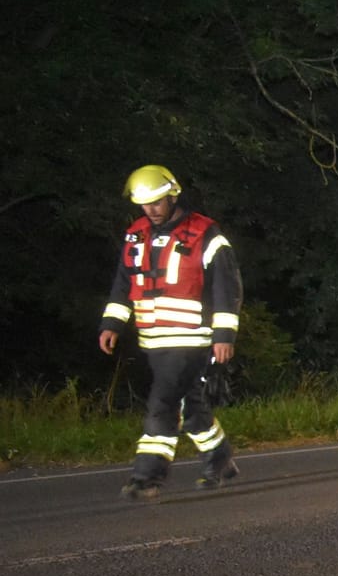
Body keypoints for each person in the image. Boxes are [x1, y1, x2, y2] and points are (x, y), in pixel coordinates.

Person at [98, 164, 242, 501]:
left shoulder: (206, 234)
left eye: (157, 202)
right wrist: (112, 323)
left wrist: (224, 336)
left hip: (191, 339)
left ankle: (147, 476)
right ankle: (220, 457)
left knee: (161, 404)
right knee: (192, 409)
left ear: (173, 196)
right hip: (154, 339)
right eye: (144, 204)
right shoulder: (136, 235)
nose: (150, 209)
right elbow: (124, 283)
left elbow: (227, 288)